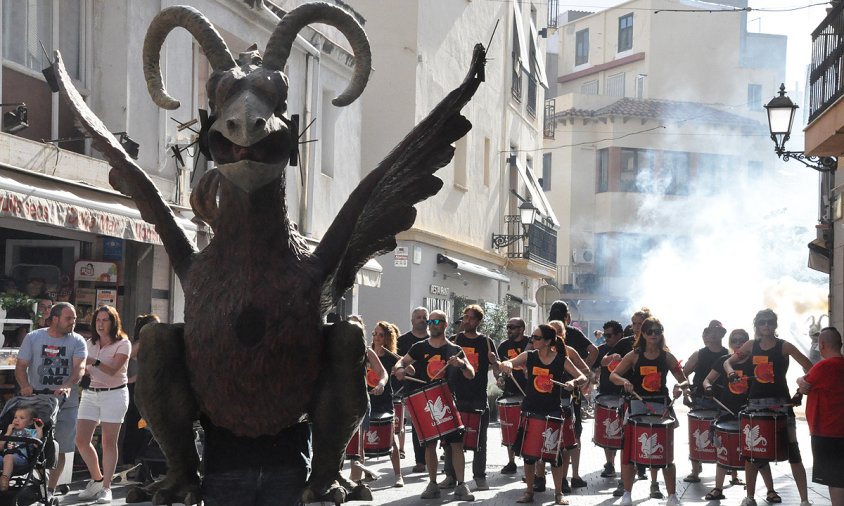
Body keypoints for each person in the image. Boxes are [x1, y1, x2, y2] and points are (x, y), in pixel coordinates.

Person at [725, 309, 814, 506]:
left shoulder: (784, 346)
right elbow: (727, 362)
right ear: (756, 324)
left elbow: (811, 368)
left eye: (770, 322)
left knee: (793, 450)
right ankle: (749, 497)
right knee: (751, 452)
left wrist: (800, 391)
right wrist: (731, 373)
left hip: (781, 403)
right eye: (763, 322)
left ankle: (805, 500)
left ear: (775, 324)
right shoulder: (750, 345)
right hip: (755, 404)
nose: (766, 325)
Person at [499, 324, 587, 505]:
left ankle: (558, 494)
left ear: (548, 341)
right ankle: (529, 492)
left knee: (554, 455)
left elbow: (583, 377)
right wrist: (506, 364)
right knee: (529, 455)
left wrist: (573, 382)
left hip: (552, 410)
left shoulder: (561, 359)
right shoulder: (529, 356)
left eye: (537, 338)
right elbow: (509, 362)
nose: (532, 340)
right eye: (533, 337)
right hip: (531, 408)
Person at [394, 310, 476, 501]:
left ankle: (462, 485)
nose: (431, 324)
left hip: (447, 400)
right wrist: (399, 369)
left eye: (437, 321)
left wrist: (462, 364)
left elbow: (470, 373)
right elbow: (402, 361)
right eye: (430, 321)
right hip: (424, 400)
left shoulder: (454, 349)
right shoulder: (418, 347)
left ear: (445, 325)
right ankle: (432, 484)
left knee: (456, 444)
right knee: (429, 445)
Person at [610, 316, 686, 506]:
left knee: (666, 452)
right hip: (636, 404)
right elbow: (614, 375)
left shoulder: (667, 356)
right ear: (642, 333)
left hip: (661, 405)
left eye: (657, 331)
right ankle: (627, 494)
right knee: (629, 451)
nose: (653, 334)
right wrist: (624, 381)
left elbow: (684, 380)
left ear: (661, 333)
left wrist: (680, 387)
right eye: (649, 331)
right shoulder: (634, 355)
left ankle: (672, 496)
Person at [15, 302, 86, 497]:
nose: (73, 322)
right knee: (31, 443)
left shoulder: (77, 340)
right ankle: (35, 481)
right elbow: (21, 366)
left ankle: (50, 489)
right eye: (68, 318)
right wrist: (24, 386)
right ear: (54, 319)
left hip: (64, 403)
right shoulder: (34, 337)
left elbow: (79, 368)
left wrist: (68, 385)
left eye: (74, 318)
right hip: (36, 401)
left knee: (60, 447)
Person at [701, 329, 776, 502]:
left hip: (751, 412)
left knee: (759, 454)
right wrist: (708, 387)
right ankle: (718, 488)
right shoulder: (723, 361)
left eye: (742, 340)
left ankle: (770, 490)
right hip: (727, 411)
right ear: (730, 343)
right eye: (734, 340)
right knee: (723, 451)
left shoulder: (754, 362)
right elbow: (707, 380)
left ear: (748, 343)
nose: (738, 343)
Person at [75, 305, 132, 504]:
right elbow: (82, 368)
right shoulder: (89, 342)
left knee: (108, 442)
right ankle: (97, 479)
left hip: (114, 394)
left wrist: (95, 362)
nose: (100, 324)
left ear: (113, 322)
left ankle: (107, 488)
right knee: (81, 440)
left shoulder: (123, 343)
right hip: (91, 393)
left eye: (105, 320)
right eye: (98, 320)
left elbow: (114, 370)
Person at [442, 304, 497, 492]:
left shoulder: (486, 342)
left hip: (478, 396)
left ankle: (480, 477)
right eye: (465, 317)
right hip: (456, 396)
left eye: (471, 318)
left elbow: (497, 369)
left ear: (479, 321)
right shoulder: (453, 340)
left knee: (480, 440)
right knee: (451, 440)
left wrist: (494, 362)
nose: (467, 321)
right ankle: (450, 475)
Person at [546, 301, 596, 493]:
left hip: (568, 396)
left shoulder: (569, 346)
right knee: (564, 436)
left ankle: (567, 477)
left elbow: (588, 362)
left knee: (570, 436)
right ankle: (566, 476)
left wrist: (580, 377)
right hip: (554, 397)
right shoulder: (549, 338)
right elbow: (594, 351)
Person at [797, 326, 844, 506]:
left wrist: (799, 380)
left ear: (821, 345)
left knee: (836, 479)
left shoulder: (824, 366)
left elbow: (804, 385)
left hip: (828, 431)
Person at [681, 320, 728, 482]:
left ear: (723, 334)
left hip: (722, 401)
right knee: (697, 433)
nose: (714, 334)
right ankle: (695, 470)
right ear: (707, 334)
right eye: (711, 331)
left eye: (718, 331)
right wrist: (685, 393)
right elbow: (683, 373)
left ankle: (726, 467)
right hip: (700, 399)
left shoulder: (728, 355)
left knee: (722, 436)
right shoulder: (699, 354)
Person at [594, 319, 633, 497]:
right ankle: (610, 463)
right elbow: (599, 365)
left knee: (623, 434)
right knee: (607, 432)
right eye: (605, 335)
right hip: (606, 395)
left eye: (610, 335)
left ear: (619, 335)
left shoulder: (628, 348)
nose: (607, 338)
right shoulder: (603, 349)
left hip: (623, 396)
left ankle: (631, 466)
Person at [367, 321, 403, 487]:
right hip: (366, 399)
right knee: (361, 436)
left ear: (387, 338)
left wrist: (401, 364)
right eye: (375, 334)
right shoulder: (365, 354)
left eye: (381, 335)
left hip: (384, 399)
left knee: (392, 438)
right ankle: (359, 476)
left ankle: (398, 475)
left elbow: (411, 372)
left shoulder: (390, 356)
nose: (376, 337)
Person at [122, 314, 160, 467]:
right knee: (134, 425)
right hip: (135, 389)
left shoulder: (157, 345)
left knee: (148, 426)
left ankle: (144, 461)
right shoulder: (137, 344)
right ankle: (129, 462)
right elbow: (127, 357)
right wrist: (131, 379)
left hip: (151, 389)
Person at [395, 306, 429, 473]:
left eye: (425, 317)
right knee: (417, 425)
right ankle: (420, 460)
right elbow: (396, 364)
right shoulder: (402, 341)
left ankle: (433, 457)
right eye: (419, 317)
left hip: (432, 385)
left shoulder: (433, 339)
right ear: (412, 320)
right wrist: (401, 369)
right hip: (412, 387)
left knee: (435, 423)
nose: (422, 320)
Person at [496, 317, 529, 475]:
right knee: (510, 426)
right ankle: (511, 462)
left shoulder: (530, 344)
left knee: (528, 427)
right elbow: (499, 368)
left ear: (522, 329)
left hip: (529, 391)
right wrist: (500, 378)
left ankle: (531, 459)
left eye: (513, 327)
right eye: (508, 326)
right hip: (510, 390)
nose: (509, 329)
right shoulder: (503, 346)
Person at [0, 406, 44, 491]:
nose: (17, 420)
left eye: (21, 418)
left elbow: (37, 445)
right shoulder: (10, 431)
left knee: (9, 457)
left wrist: (39, 430)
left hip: (22, 459)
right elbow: (1, 447)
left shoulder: (31, 432)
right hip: (5, 457)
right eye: (15, 417)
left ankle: (4, 481)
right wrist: (8, 432)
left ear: (30, 422)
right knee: (7, 457)